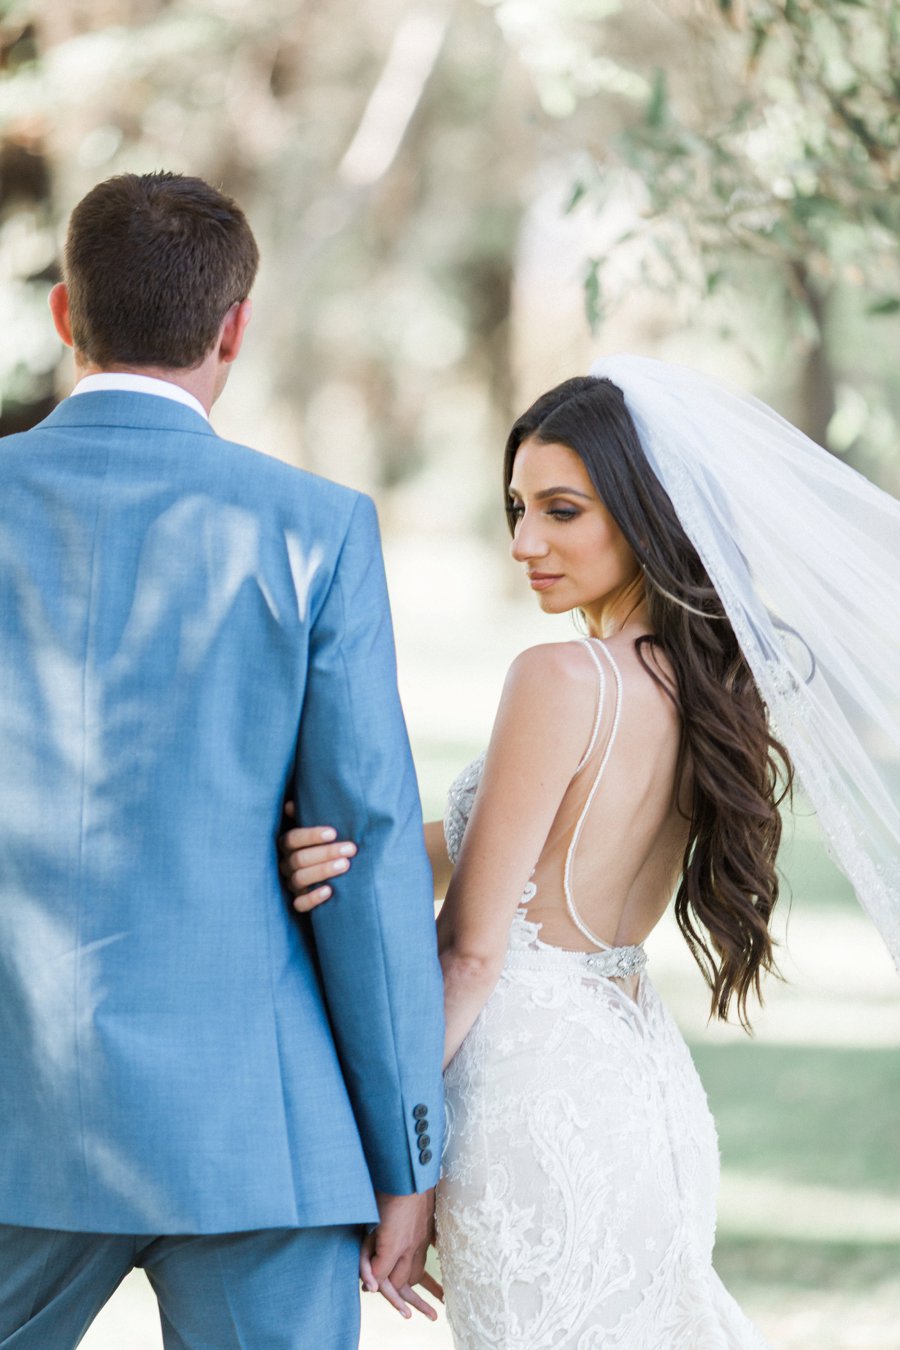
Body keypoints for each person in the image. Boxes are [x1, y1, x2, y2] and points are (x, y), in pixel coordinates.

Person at [281, 358, 900, 1347]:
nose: (526, 541)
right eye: (517, 507)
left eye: (562, 510)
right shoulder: (712, 691)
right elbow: (510, 853)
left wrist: (396, 1167)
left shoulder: (561, 676)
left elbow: (474, 951)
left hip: (528, 1098)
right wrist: (340, 858)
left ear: (646, 514)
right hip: (640, 1084)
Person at [0, 171, 444, 1350]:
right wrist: (407, 1154)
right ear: (235, 325)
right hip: (257, 1129)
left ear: (62, 314)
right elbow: (365, 845)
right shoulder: (317, 526)